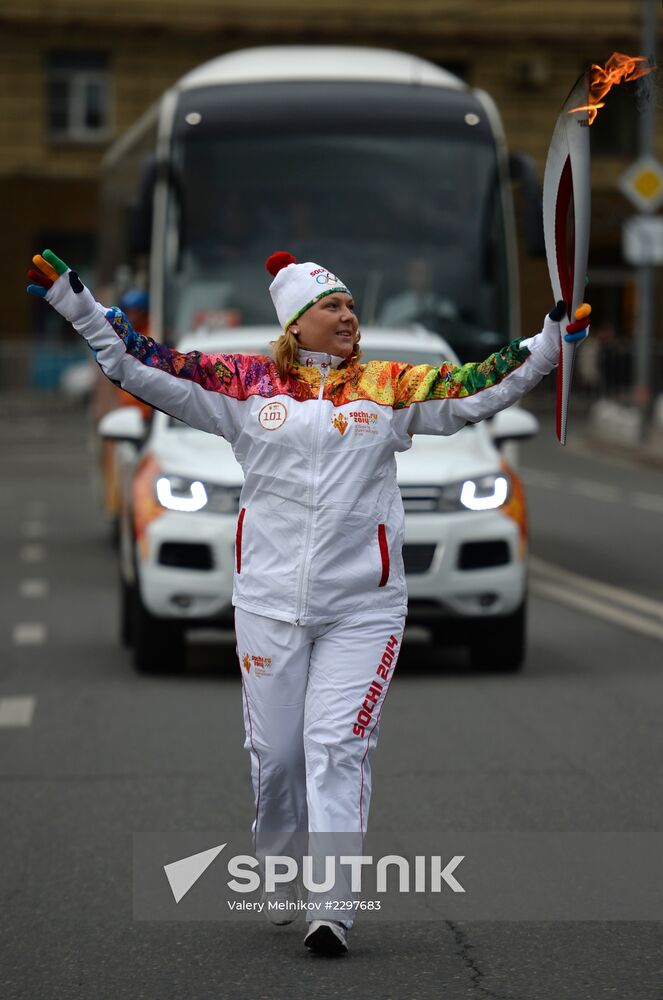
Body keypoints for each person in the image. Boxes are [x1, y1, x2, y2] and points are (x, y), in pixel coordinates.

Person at [26, 248, 590, 956]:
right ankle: (278, 868)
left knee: (337, 747)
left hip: (364, 606)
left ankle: (333, 910)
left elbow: (475, 385)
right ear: (296, 323)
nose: (348, 315)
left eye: (351, 305)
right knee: (278, 755)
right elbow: (142, 363)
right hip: (266, 602)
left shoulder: (385, 387)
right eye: (332, 306)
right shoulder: (243, 384)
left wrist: (546, 344)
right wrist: (78, 305)